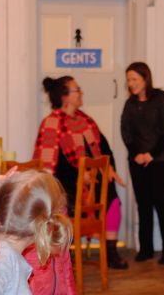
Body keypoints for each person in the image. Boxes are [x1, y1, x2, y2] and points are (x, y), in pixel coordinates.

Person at [35, 75, 128, 269]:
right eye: (77, 90)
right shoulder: (52, 123)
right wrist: (79, 176)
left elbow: (104, 148)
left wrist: (109, 168)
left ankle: (111, 252)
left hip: (93, 181)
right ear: (65, 97)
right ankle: (67, 255)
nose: (81, 93)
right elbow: (53, 164)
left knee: (113, 200)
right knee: (61, 203)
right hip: (67, 184)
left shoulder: (86, 120)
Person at [120, 62, 164, 264]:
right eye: (128, 80)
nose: (131, 83)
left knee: (161, 203)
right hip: (137, 161)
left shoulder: (163, 99)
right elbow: (125, 131)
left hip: (160, 160)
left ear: (146, 79)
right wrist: (137, 154)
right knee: (143, 204)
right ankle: (146, 249)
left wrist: (150, 155)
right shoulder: (130, 104)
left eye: (134, 79)